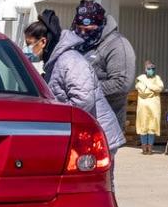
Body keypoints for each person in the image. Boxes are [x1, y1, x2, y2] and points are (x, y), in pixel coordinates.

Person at [24, 11, 125, 164]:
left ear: (43, 42)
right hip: (86, 136)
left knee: (98, 185)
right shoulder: (55, 62)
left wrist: (57, 116)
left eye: (29, 44)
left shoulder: (69, 61)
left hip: (98, 137)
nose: (27, 49)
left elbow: (83, 100)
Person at [71, 0, 136, 130]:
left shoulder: (117, 45)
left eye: (88, 30)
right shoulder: (79, 43)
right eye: (79, 29)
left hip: (105, 124)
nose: (83, 34)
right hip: (79, 118)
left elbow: (121, 83)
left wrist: (85, 92)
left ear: (100, 25)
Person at [135, 60, 164, 155]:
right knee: (143, 127)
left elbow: (160, 88)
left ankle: (150, 148)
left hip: (154, 108)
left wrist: (149, 86)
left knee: (152, 127)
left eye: (153, 69)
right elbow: (143, 91)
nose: (151, 70)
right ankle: (144, 148)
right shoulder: (140, 78)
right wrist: (153, 90)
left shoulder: (157, 78)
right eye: (149, 68)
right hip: (143, 108)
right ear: (145, 69)